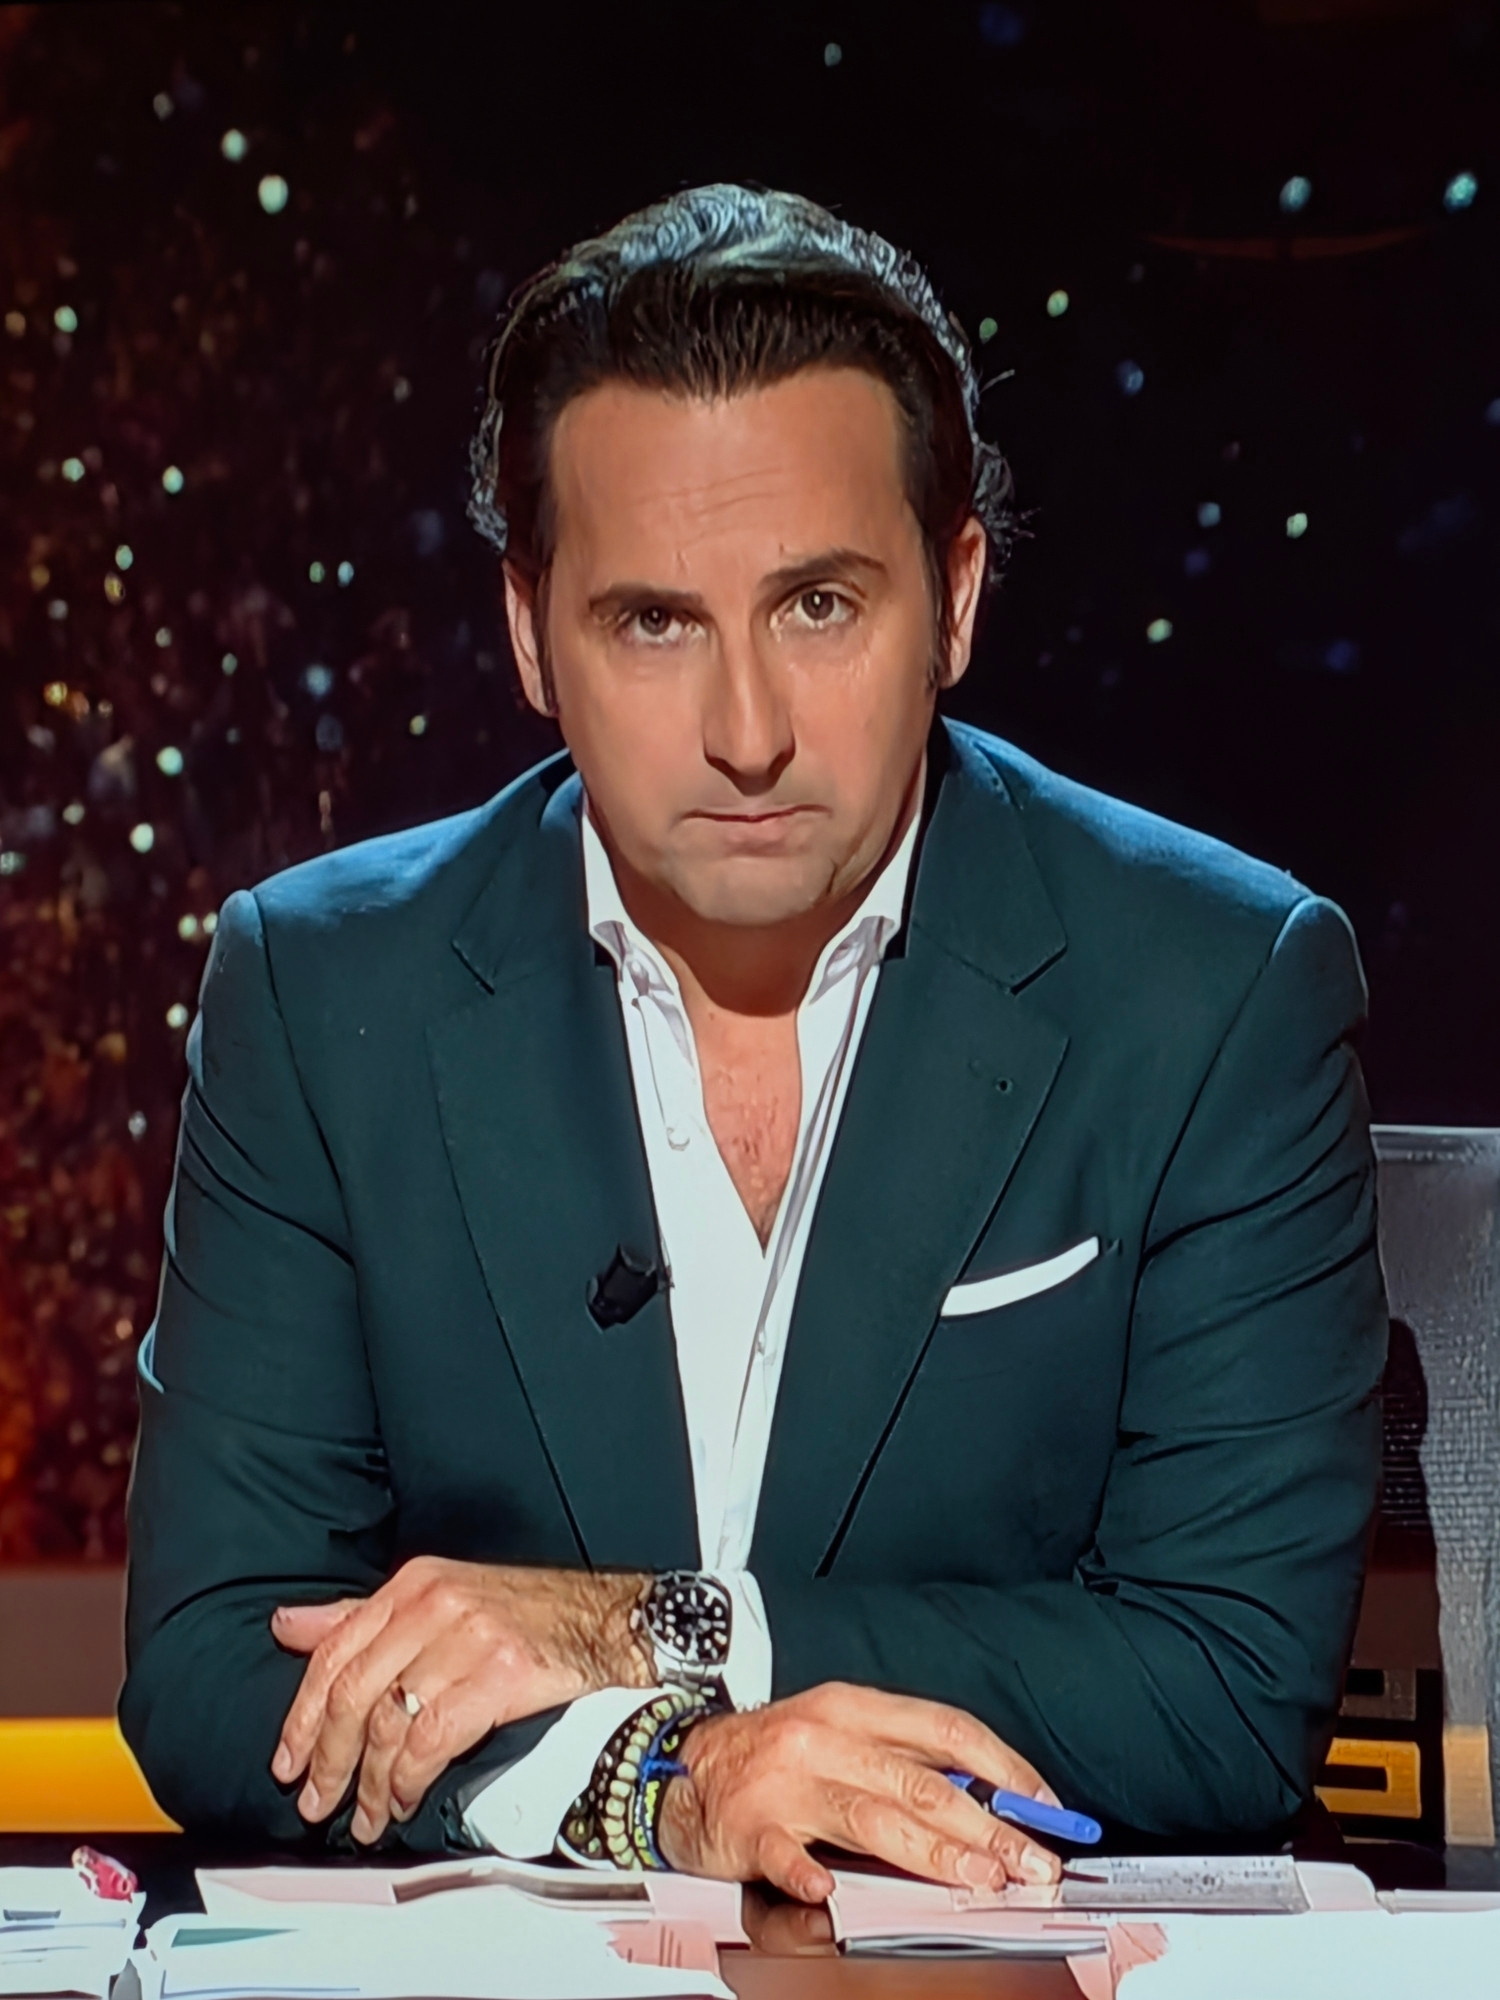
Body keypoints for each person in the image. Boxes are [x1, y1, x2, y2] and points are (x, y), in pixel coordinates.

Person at [120, 184, 1387, 1901]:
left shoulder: (1218, 988)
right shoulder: (323, 993)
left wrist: (651, 1631)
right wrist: (652, 1780)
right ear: (530, 634)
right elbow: (217, 1666)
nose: (746, 732)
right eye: (654, 622)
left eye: (818, 607)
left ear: (953, 597)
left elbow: (1224, 1685)